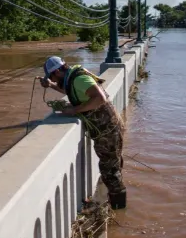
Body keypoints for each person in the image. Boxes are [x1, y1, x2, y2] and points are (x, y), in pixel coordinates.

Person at [39, 56, 127, 209]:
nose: (52, 78)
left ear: (58, 71)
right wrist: (51, 85)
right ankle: (115, 200)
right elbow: (70, 89)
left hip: (107, 130)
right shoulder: (72, 78)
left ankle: (119, 208)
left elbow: (100, 98)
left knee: (110, 170)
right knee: (113, 165)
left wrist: (74, 110)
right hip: (105, 130)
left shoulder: (79, 78)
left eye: (51, 76)